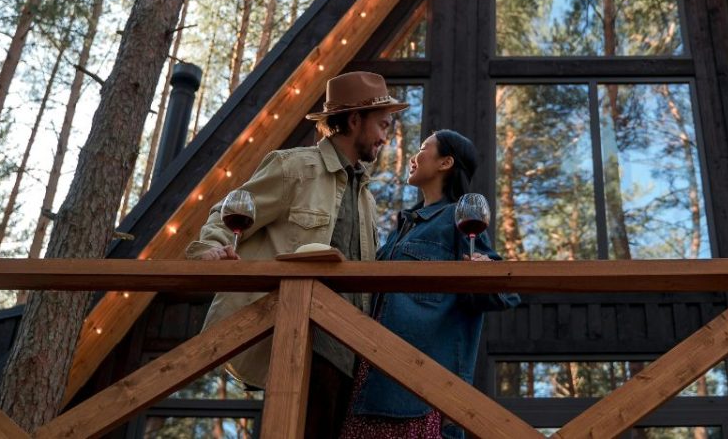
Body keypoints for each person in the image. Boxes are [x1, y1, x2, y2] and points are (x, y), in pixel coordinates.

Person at [185, 71, 408, 438]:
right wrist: (211, 251)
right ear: (354, 120)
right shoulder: (294, 168)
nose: (386, 138)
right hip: (298, 344)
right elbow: (228, 214)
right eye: (383, 125)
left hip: (350, 356)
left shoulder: (366, 198)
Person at [340, 129, 520, 439]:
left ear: (445, 162)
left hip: (420, 395)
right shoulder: (400, 232)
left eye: (424, 148)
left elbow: (506, 292)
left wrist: (485, 271)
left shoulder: (458, 218)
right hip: (368, 384)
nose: (414, 155)